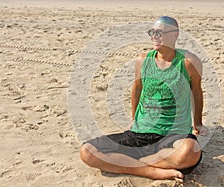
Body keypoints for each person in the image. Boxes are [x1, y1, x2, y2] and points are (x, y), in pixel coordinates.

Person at [80, 16, 209, 182]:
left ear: (175, 35)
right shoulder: (143, 60)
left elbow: (196, 91)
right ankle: (152, 171)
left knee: (190, 152)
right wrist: (134, 118)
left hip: (174, 135)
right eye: (152, 32)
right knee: (87, 152)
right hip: (140, 134)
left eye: (159, 33)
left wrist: (197, 123)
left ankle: (131, 162)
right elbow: (137, 88)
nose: (154, 37)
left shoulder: (188, 62)